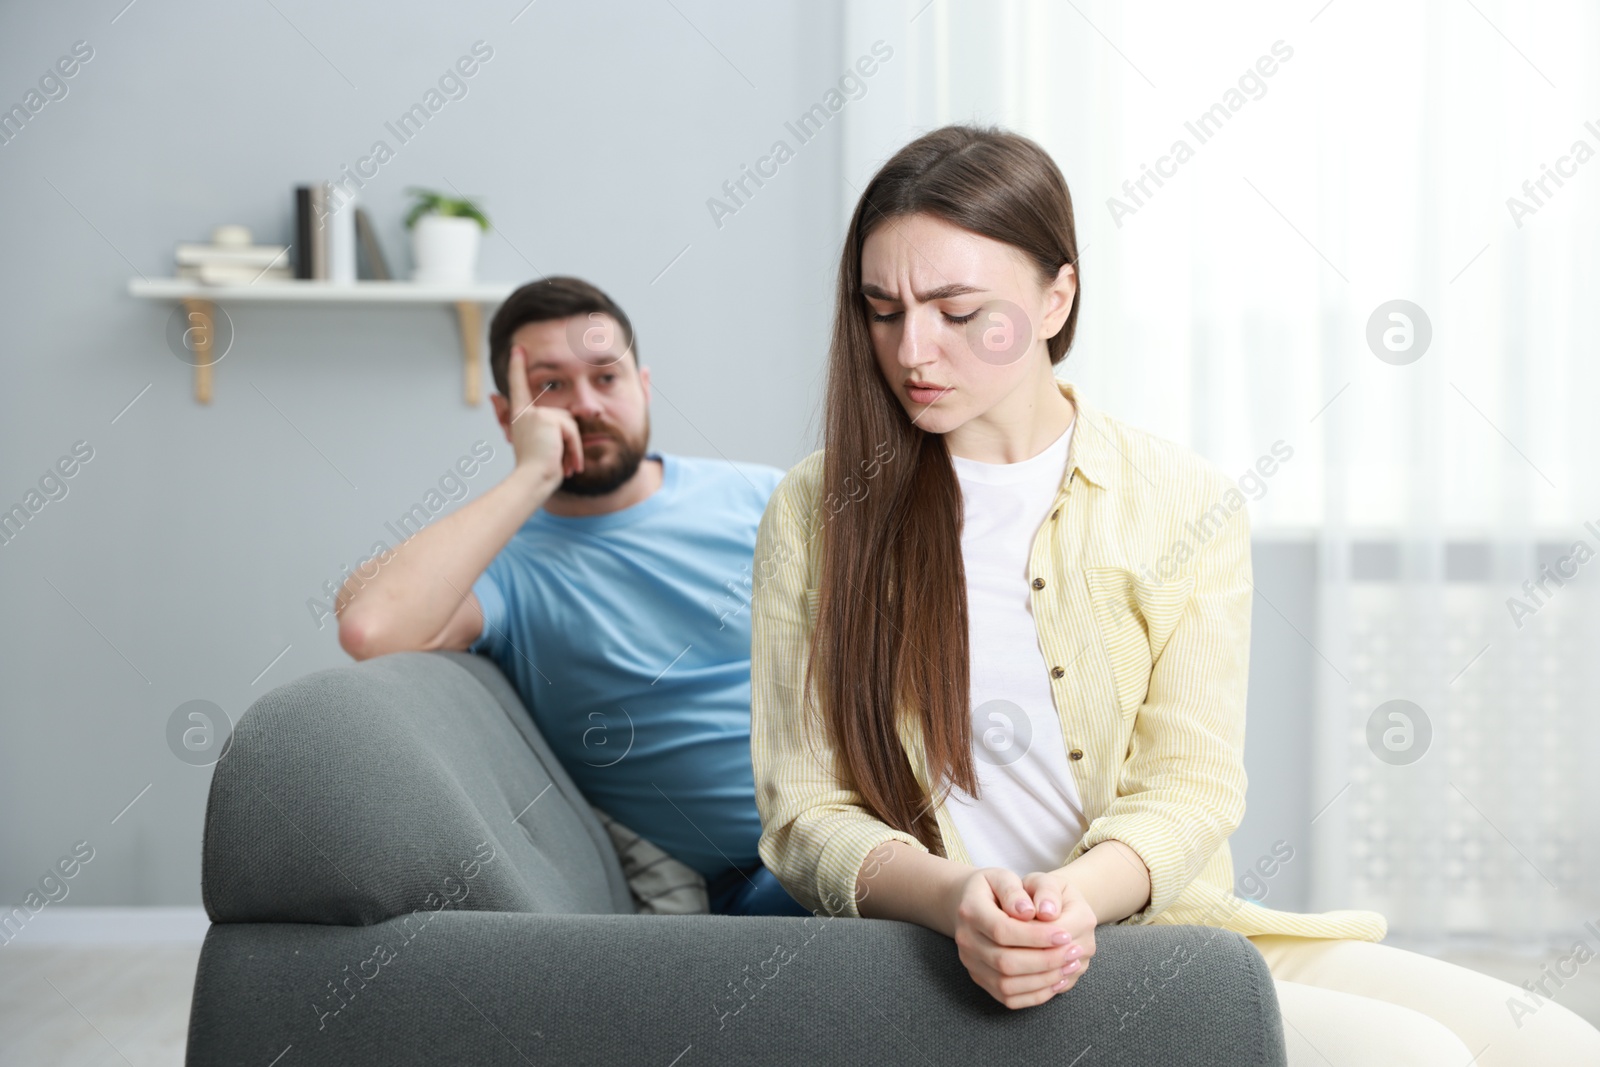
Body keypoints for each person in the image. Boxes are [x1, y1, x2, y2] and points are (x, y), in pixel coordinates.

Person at [748, 125, 1600, 1063]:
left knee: (1556, 1043)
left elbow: (1192, 786)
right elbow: (803, 811)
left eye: (958, 312)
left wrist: (1078, 898)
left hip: (1158, 926)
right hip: (948, 955)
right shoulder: (817, 511)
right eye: (882, 309)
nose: (913, 349)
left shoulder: (1179, 498)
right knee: (1413, 1055)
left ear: (1056, 295)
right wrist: (956, 899)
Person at [337, 275, 808, 917]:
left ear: (642, 387)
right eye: (551, 385)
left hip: (864, 813)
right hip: (763, 875)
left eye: (606, 378)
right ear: (509, 416)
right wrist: (532, 474)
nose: (586, 404)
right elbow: (370, 627)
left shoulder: (765, 498)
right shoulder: (506, 563)